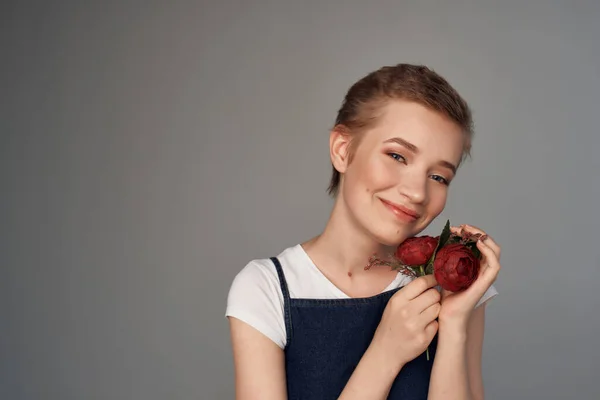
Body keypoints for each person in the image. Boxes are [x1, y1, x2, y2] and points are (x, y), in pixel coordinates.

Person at [225, 63, 501, 399]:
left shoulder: (456, 282)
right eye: (397, 156)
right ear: (343, 150)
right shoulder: (266, 289)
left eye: (439, 177)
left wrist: (455, 326)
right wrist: (384, 354)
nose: (417, 192)